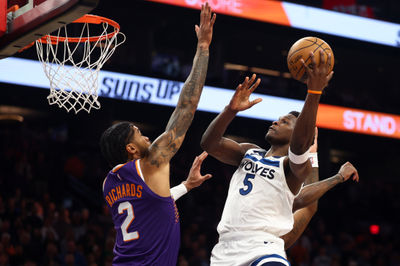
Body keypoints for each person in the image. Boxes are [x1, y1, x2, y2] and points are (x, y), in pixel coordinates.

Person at [99, 3, 216, 265]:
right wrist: (203, 49)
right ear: (131, 148)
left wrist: (186, 186)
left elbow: (151, 205)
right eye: (140, 135)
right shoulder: (152, 162)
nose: (148, 139)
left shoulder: (109, 183)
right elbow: (186, 106)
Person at [200, 51, 337, 265]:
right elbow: (210, 144)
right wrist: (230, 110)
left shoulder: (291, 169)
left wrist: (314, 92)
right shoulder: (249, 151)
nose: (276, 122)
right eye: (277, 119)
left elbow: (301, 147)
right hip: (224, 251)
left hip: (263, 249)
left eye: (285, 122)